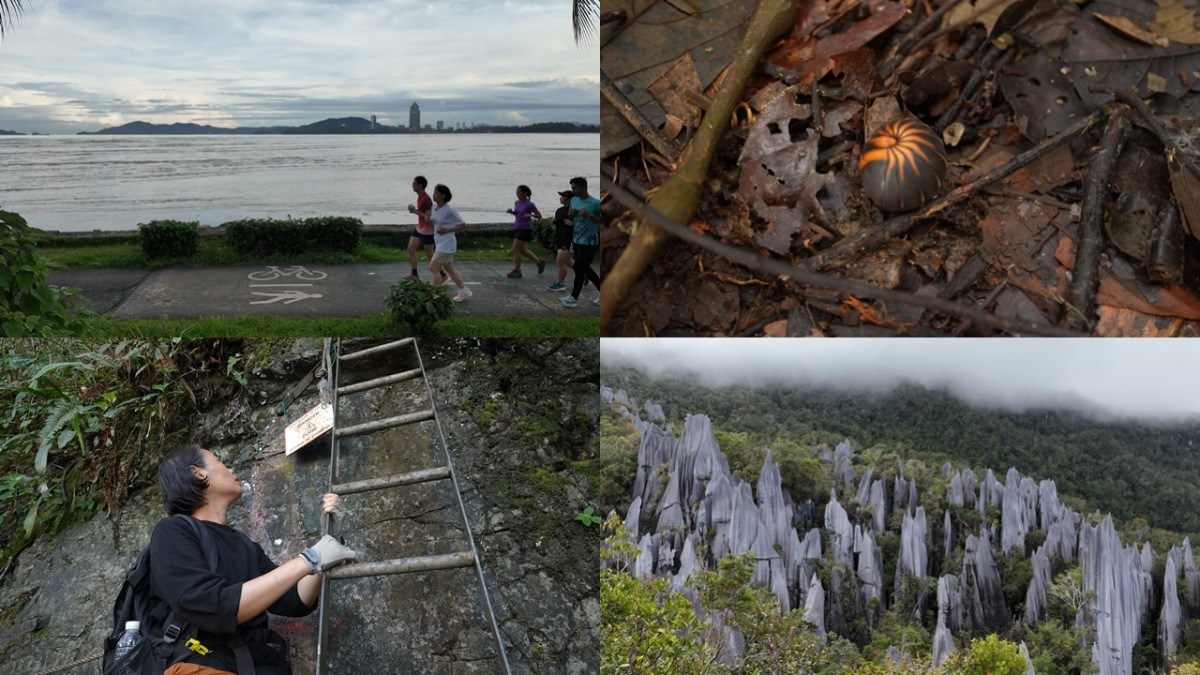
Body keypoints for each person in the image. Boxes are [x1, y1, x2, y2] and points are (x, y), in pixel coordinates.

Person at [150, 445, 358, 675]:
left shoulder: (243, 545)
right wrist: (310, 558)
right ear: (199, 472)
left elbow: (295, 601)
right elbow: (213, 605)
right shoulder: (172, 532)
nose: (230, 468)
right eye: (219, 461)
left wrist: (328, 541)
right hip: (200, 665)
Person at [559, 177, 602, 308]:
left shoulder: (595, 203)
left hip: (589, 241)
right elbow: (570, 218)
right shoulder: (573, 200)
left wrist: (591, 216)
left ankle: (573, 298)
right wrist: (571, 214)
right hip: (576, 239)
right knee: (584, 268)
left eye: (575, 188)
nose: (573, 190)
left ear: (584, 187)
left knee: (578, 268)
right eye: (572, 188)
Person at [430, 183, 472, 302]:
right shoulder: (434, 207)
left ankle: (435, 295)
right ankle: (464, 291)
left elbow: (463, 224)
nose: (434, 194)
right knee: (450, 270)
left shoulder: (450, 210)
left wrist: (447, 230)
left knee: (434, 267)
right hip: (439, 243)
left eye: (437, 193)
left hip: (447, 244)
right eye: (434, 192)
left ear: (443, 195)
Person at [505, 185, 546, 278]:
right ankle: (539, 262)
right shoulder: (517, 203)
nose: (517, 194)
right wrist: (512, 212)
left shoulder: (530, 204)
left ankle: (517, 271)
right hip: (518, 227)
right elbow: (518, 214)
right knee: (522, 250)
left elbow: (539, 215)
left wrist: (530, 215)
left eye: (519, 192)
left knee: (515, 248)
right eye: (516, 192)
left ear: (525, 193)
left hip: (526, 229)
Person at [546, 190, 575, 293]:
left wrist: (572, 224)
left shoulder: (573, 211)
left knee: (561, 261)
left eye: (562, 196)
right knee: (568, 262)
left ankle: (560, 284)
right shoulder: (559, 210)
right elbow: (558, 221)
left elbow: (581, 224)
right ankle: (584, 274)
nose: (560, 198)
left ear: (568, 199)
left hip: (568, 239)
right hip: (560, 237)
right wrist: (554, 221)